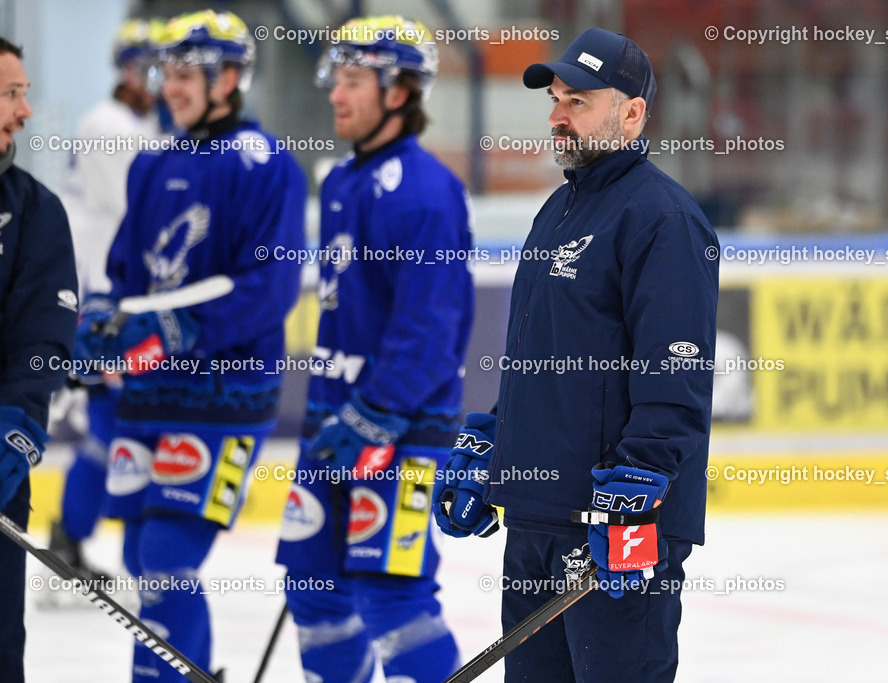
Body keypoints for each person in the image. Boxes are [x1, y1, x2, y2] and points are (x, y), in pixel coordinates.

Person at [432, 27, 720, 682]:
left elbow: (675, 370)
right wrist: (493, 446)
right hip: (539, 524)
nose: (558, 116)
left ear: (632, 113)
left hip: (612, 534)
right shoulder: (555, 212)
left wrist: (638, 486)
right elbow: (540, 364)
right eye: (556, 99)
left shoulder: (663, 219)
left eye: (579, 101)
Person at [74, 10, 305, 682]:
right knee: (144, 561)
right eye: (165, 73)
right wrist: (102, 321)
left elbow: (270, 288)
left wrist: (174, 331)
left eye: (184, 74)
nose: (168, 87)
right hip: (150, 394)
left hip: (224, 396)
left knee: (170, 553)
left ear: (228, 77)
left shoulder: (266, 166)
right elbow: (125, 269)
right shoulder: (154, 160)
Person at [275, 15, 471, 683]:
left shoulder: (427, 191)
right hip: (336, 426)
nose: (336, 94)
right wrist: (342, 416)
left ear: (399, 92)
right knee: (312, 588)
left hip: (402, 428)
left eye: (354, 81)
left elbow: (433, 327)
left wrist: (377, 412)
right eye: (337, 79)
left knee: (393, 594)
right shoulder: (340, 183)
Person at [49, 17, 166, 581]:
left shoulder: (146, 127)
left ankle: (74, 535)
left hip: (115, 297)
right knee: (110, 418)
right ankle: (72, 534)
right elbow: (137, 214)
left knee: (113, 421)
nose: (156, 78)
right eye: (146, 66)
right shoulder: (108, 124)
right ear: (125, 68)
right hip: (99, 298)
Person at [0, 37, 79, 683]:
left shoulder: (34, 211)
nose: (24, 110)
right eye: (9, 93)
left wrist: (16, 423)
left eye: (23, 92)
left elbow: (41, 340)